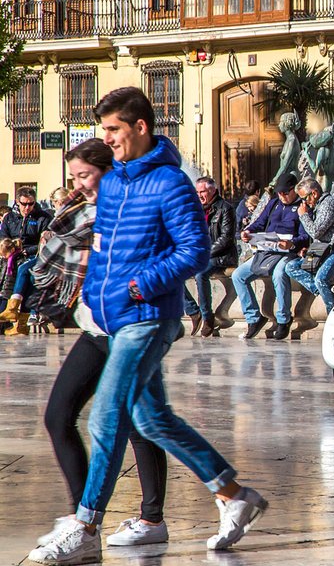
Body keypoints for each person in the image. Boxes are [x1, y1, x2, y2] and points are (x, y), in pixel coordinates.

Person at [29, 87, 268, 565]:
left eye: (115, 129)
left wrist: (135, 288)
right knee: (150, 418)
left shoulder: (172, 183)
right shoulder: (114, 182)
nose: (109, 139)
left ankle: (86, 524)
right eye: (105, 131)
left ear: (140, 127)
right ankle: (233, 494)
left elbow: (194, 253)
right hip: (114, 315)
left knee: (105, 418)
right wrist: (97, 294)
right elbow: (102, 247)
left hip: (148, 316)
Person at [31, 139, 172, 553]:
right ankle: (83, 515)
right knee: (59, 416)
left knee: (139, 423)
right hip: (96, 328)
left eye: (85, 175)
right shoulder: (79, 211)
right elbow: (54, 256)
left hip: (132, 327)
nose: (78, 184)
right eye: (73, 177)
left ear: (109, 171)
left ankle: (144, 519)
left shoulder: (131, 207)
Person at [234, 172, 310, 340]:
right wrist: (248, 231)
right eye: (279, 192)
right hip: (267, 250)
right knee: (237, 275)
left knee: (279, 273)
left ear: (294, 190)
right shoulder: (274, 202)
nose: (282, 196)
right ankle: (254, 318)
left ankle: (284, 319)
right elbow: (260, 222)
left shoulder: (303, 207)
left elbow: (306, 236)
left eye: (285, 192)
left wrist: (292, 243)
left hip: (288, 252)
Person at [284, 178, 334, 314]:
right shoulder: (319, 206)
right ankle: (327, 293)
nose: (303, 203)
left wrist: (303, 215)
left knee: (321, 279)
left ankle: (333, 315)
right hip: (323, 250)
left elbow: (316, 231)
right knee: (291, 267)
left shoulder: (330, 204)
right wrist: (309, 250)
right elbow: (320, 236)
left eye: (305, 198)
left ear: (314, 193)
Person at [183, 177, 238, 337]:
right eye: (197, 192)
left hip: (221, 255)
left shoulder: (225, 208)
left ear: (213, 190)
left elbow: (226, 238)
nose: (199, 195)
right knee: (174, 270)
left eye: (203, 192)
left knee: (201, 274)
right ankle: (194, 312)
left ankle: (207, 318)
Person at [0, 186, 54, 326]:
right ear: (17, 201)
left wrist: (27, 250)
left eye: (31, 204)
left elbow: (45, 242)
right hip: (10, 255)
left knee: (29, 273)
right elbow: (3, 236)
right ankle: (6, 312)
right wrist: (10, 247)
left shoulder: (43, 217)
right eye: (24, 204)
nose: (27, 207)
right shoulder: (10, 218)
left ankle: (22, 317)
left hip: (32, 255)